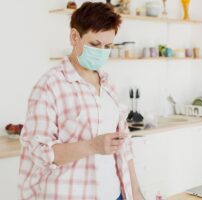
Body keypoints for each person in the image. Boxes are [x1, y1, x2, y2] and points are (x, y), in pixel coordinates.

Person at [18, 2, 144, 200]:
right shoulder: (49, 86)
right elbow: (40, 152)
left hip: (114, 194)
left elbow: (125, 147)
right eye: (95, 44)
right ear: (74, 37)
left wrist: (136, 193)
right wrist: (92, 146)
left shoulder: (108, 84)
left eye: (108, 46)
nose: (102, 51)